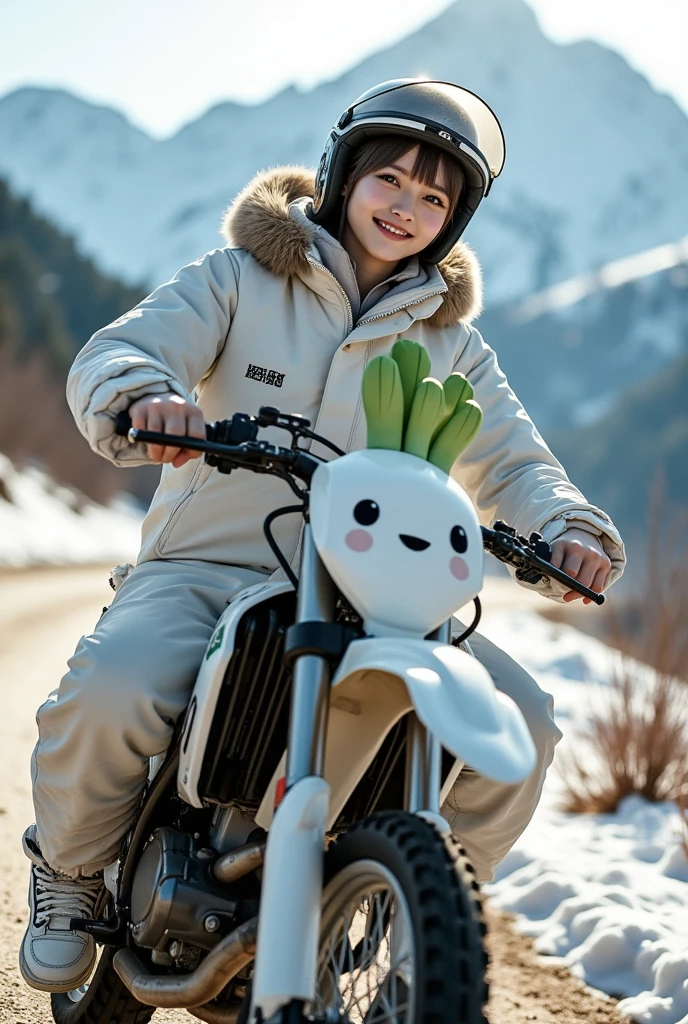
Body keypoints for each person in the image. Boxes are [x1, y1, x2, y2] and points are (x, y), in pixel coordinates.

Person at [20, 79, 625, 993]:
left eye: (435, 198)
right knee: (113, 685)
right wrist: (144, 396)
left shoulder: (452, 343)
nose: (407, 208)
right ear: (346, 174)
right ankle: (68, 873)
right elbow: (120, 349)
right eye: (392, 180)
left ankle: (414, 921)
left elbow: (518, 464)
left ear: (454, 223)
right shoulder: (238, 280)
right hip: (212, 567)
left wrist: (569, 527)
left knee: (525, 727)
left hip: (383, 601)